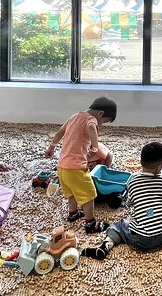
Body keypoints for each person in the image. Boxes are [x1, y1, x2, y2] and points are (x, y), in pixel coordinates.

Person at [81, 142, 162, 260]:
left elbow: (130, 203)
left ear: (140, 162)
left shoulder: (133, 182)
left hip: (141, 239)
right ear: (160, 167)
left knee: (120, 225)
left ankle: (105, 246)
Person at [44, 97, 117, 234]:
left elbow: (60, 133)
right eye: (103, 121)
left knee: (71, 192)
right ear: (100, 113)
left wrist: (51, 147)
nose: (101, 125)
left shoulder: (74, 116)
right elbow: (91, 127)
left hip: (62, 166)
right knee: (89, 194)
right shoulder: (92, 120)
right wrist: (95, 146)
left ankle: (73, 214)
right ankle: (91, 224)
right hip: (76, 167)